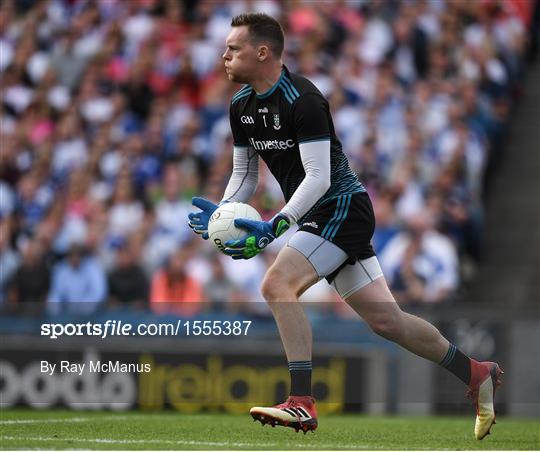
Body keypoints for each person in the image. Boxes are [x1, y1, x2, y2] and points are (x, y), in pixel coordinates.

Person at [188, 13, 502, 439]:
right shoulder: (240, 105)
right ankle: (476, 372)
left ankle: (301, 402)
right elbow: (245, 175)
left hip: (341, 206)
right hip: (320, 215)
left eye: (233, 48)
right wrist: (224, 213)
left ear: (262, 52)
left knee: (276, 285)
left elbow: (318, 177)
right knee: (388, 322)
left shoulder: (304, 99)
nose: (224, 55)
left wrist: (276, 224)